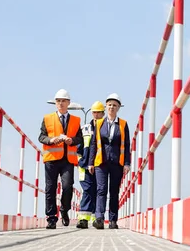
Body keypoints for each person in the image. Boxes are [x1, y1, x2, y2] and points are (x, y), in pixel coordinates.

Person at [38, 89, 83, 229]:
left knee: (68, 186)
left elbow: (79, 138)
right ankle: (51, 218)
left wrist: (72, 141)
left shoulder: (76, 120)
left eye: (64, 101)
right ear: (55, 103)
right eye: (58, 101)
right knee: (50, 188)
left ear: (69, 103)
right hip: (51, 158)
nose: (61, 103)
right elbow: (41, 137)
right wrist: (51, 140)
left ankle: (64, 210)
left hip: (67, 160)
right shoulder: (47, 118)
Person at [88, 93, 131, 229]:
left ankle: (113, 220)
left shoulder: (123, 124)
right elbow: (93, 143)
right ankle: (99, 218)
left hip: (117, 162)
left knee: (114, 191)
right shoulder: (99, 123)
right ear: (106, 107)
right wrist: (90, 162)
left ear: (118, 108)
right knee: (101, 189)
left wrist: (127, 163)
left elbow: (127, 144)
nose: (112, 107)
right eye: (109, 105)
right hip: (101, 162)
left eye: (115, 105)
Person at [76, 101, 105, 229]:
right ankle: (83, 219)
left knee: (98, 191)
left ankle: (95, 218)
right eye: (94, 112)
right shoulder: (85, 129)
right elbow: (79, 148)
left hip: (99, 165)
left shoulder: (106, 128)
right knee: (87, 190)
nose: (96, 114)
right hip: (85, 166)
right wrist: (83, 162)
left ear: (103, 113)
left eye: (99, 112)